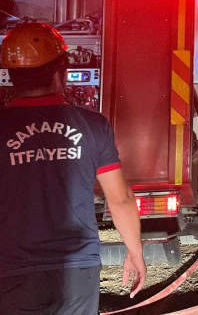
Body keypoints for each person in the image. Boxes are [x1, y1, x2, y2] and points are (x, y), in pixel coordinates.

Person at [0, 23, 146, 314]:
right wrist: (135, 251)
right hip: (77, 267)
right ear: (60, 71)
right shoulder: (93, 125)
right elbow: (119, 199)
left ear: (11, 75)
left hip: (12, 268)